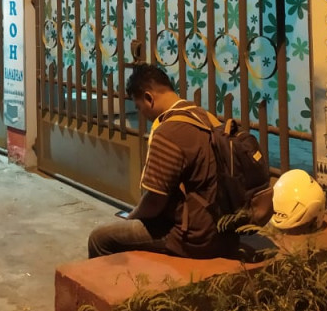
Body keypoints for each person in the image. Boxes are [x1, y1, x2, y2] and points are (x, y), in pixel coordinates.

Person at [87, 63, 235, 260]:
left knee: (100, 238)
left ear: (149, 98)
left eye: (139, 107)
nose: (141, 113)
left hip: (194, 236)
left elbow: (154, 202)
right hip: (226, 230)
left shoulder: (168, 132)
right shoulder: (203, 116)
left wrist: (132, 217)